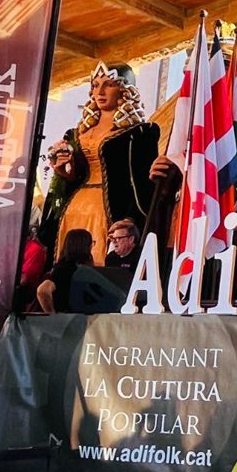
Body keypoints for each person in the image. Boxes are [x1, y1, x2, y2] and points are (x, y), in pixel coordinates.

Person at [42, 64, 159, 265]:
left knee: (99, 261)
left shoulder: (139, 132)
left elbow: (142, 178)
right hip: (75, 205)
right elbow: (76, 175)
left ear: (125, 89)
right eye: (95, 85)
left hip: (109, 207)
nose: (100, 92)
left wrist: (132, 218)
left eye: (109, 85)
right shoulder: (76, 133)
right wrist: (64, 173)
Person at [35, 229, 96, 314]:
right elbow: (43, 290)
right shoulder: (65, 269)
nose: (92, 247)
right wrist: (52, 315)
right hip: (66, 320)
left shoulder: (68, 266)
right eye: (91, 243)